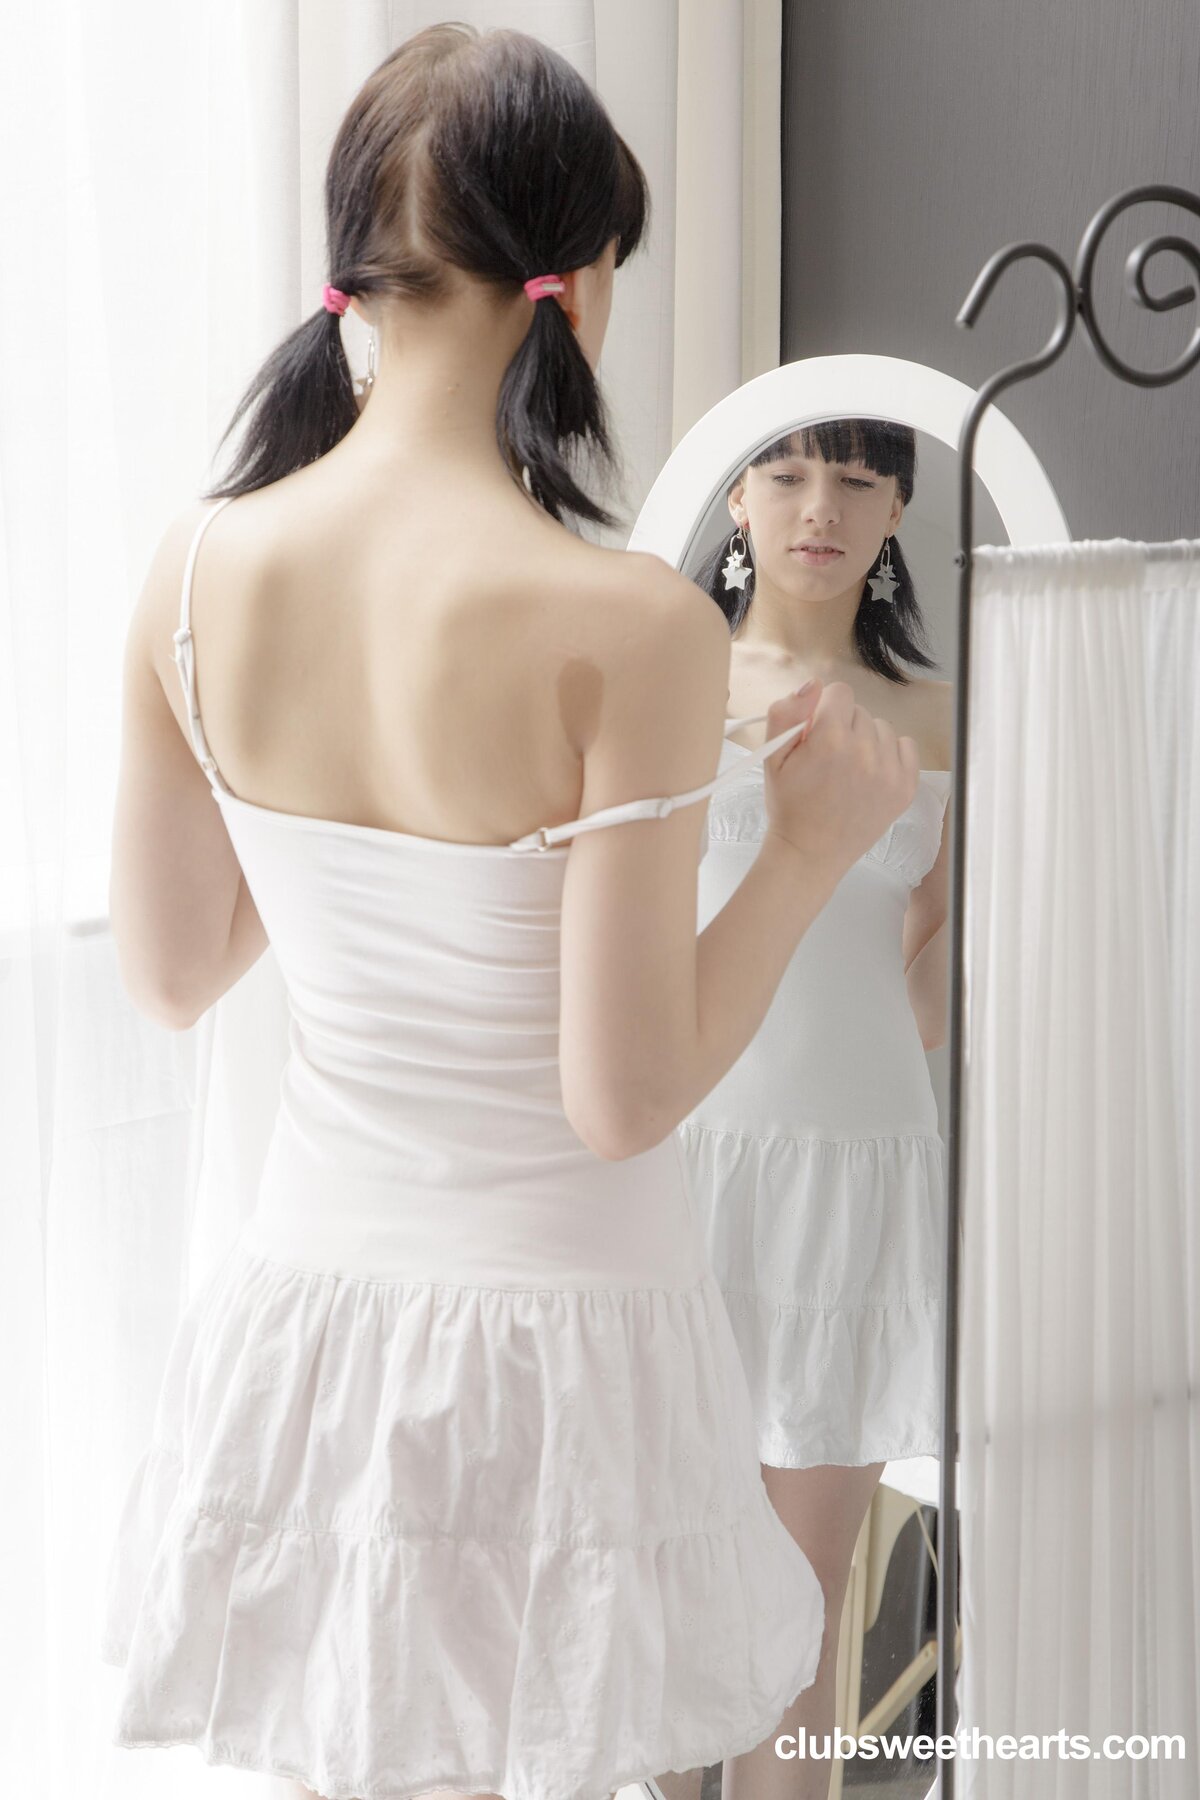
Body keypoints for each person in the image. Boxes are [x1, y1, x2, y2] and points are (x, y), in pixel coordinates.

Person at [98, 26, 920, 1800]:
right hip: (556, 1340)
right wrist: (806, 853)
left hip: (311, 1326)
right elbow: (622, 1096)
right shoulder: (628, 624)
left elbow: (171, 972)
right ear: (578, 283)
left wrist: (339, 810)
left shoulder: (195, 567)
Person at [669, 420, 953, 1800]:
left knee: (806, 1597)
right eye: (786, 476)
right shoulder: (671, 686)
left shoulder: (940, 716)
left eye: (854, 479)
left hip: (859, 1167)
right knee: (662, 1560)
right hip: (685, 1158)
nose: (818, 507)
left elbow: (929, 964)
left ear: (897, 508)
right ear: (737, 497)